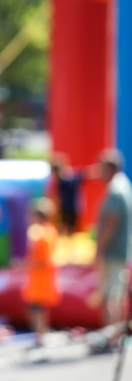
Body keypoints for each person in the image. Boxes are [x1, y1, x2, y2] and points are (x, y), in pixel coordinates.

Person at [91, 148, 132, 353]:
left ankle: (111, 337)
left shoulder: (116, 189)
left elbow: (112, 221)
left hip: (114, 252)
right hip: (118, 251)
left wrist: (99, 247)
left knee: (110, 296)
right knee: (114, 294)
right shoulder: (122, 186)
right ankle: (113, 336)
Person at [21, 197, 61, 347]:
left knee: (37, 308)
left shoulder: (40, 233)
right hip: (41, 277)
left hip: (40, 277)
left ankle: (40, 335)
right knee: (38, 308)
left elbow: (44, 259)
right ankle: (40, 334)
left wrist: (27, 263)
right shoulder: (50, 231)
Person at [47, 153, 86, 235]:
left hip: (71, 206)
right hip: (63, 207)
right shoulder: (57, 181)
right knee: (63, 225)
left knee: (71, 226)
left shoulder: (68, 178)